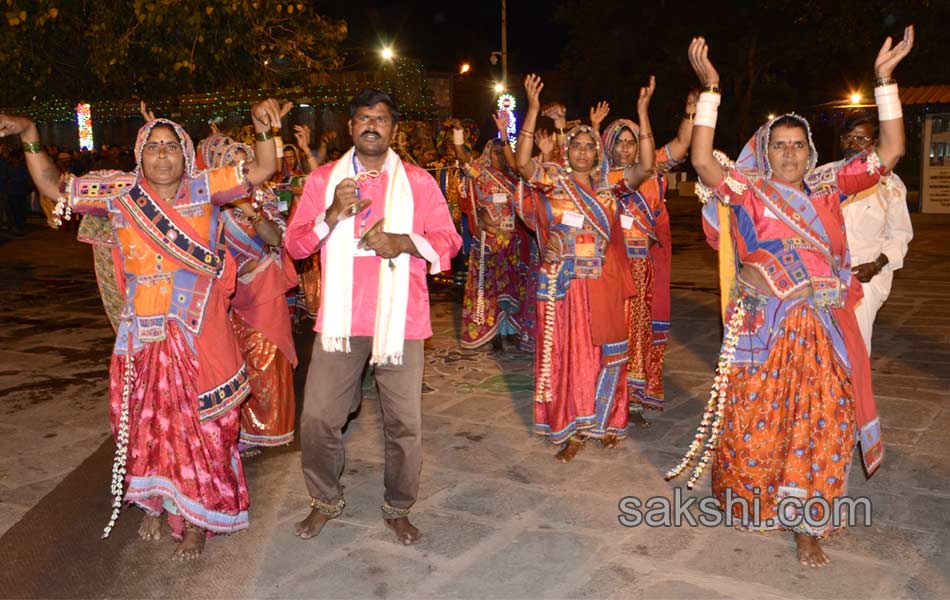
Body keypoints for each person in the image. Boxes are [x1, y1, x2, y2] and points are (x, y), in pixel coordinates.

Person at [0, 97, 287, 560]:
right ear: (139, 154)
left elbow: (261, 168)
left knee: (206, 429)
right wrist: (30, 132)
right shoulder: (120, 194)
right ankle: (157, 501)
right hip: (144, 336)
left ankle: (197, 517)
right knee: (147, 426)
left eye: (171, 146)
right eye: (152, 146)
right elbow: (55, 187)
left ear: (186, 153)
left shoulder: (205, 188)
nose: (161, 154)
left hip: (201, 333)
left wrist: (262, 129)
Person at [670, 29, 913, 567]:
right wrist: (710, 89)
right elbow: (706, 163)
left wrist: (885, 82)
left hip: (823, 327)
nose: (788, 154)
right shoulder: (749, 191)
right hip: (764, 328)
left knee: (823, 419)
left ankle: (808, 523)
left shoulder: (828, 186)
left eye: (797, 145)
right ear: (765, 149)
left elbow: (891, 150)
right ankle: (755, 500)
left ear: (810, 152)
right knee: (759, 417)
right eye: (778, 145)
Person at [284, 89, 461, 545]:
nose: (371, 125)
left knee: (405, 425)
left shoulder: (418, 182)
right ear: (350, 127)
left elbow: (449, 242)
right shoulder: (325, 179)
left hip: (401, 321)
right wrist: (332, 214)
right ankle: (324, 499)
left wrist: (404, 242)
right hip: (341, 325)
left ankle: (397, 507)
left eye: (380, 119)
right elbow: (296, 243)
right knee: (319, 419)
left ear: (393, 129)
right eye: (363, 117)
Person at [513, 74, 655, 463]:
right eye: (575, 145)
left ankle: (607, 419)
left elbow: (645, 165)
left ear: (597, 152)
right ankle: (572, 427)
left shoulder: (609, 187)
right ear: (566, 150)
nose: (581, 151)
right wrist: (533, 111)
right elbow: (522, 162)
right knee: (568, 357)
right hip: (562, 285)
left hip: (602, 283)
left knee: (604, 355)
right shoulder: (552, 180)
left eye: (588, 146)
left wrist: (642, 114)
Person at [592, 86, 696, 424]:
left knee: (640, 332)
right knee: (615, 332)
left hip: (646, 269)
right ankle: (609, 396)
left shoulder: (653, 169)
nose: (626, 148)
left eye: (631, 141)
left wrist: (691, 111)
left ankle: (634, 399)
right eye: (619, 142)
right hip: (614, 271)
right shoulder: (604, 178)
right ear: (608, 146)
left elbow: (682, 144)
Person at [213, 140, 299, 454]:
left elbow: (276, 238)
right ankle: (237, 431)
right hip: (225, 294)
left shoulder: (264, 196)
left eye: (245, 163)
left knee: (266, 358)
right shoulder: (211, 202)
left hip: (262, 288)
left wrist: (250, 210)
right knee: (234, 362)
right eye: (231, 164)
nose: (241, 170)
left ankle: (270, 428)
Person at [452, 114, 532, 352]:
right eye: (495, 152)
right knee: (489, 288)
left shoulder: (514, 177)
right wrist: (458, 134)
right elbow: (462, 158)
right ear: (488, 153)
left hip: (511, 240)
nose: (499, 156)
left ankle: (510, 330)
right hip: (489, 240)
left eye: (502, 152)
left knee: (511, 287)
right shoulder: (481, 172)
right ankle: (491, 332)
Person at [837, 113, 913, 353]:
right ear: (841, 141)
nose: (854, 145)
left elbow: (900, 235)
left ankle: (856, 390)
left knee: (856, 342)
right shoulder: (824, 176)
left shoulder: (889, 184)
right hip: (826, 274)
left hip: (865, 275)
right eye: (849, 138)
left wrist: (877, 264)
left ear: (873, 143)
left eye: (862, 139)